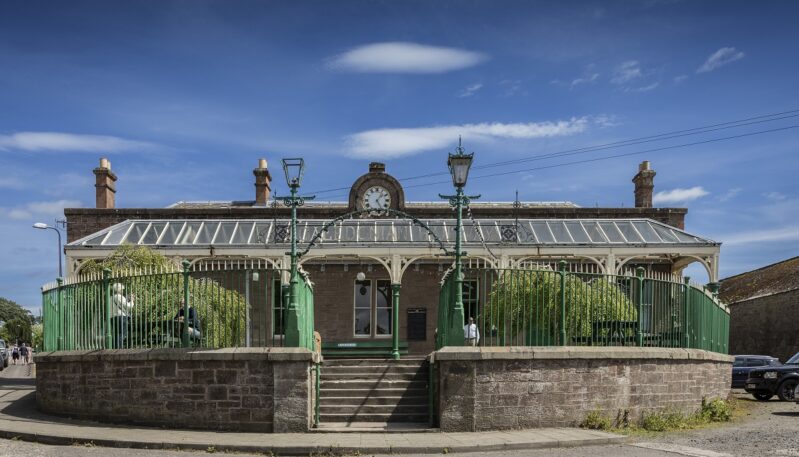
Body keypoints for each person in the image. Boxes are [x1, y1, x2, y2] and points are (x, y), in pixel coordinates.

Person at [111, 283, 135, 348]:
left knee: (116, 334)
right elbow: (129, 306)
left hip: (112, 318)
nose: (122, 290)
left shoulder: (110, 298)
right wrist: (132, 300)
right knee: (122, 334)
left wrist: (127, 299)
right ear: (119, 289)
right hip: (121, 317)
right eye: (122, 289)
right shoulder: (119, 296)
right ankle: (119, 349)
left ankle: (113, 349)